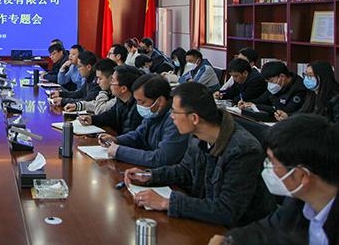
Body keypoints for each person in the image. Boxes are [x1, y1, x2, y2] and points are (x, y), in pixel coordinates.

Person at [125, 81, 274, 227]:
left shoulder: (243, 150)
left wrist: (167, 203)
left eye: (174, 112)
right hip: (205, 220)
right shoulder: (198, 136)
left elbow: (227, 210)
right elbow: (185, 170)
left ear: (194, 118)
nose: (171, 117)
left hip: (237, 231)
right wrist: (149, 176)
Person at [209, 114, 339, 245]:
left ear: (302, 176)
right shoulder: (297, 202)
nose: (267, 167)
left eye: (272, 162)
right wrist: (230, 240)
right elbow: (267, 229)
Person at [99, 74, 188, 167]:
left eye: (142, 102)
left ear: (160, 101)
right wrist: (116, 140)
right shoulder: (154, 113)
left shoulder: (175, 120)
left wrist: (119, 151)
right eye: (136, 101)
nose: (138, 105)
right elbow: (138, 135)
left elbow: (161, 158)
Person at [78, 65, 143, 134]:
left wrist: (115, 139)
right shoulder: (120, 100)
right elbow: (110, 116)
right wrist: (92, 119)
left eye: (112, 80)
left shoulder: (138, 109)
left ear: (123, 89)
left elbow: (131, 135)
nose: (110, 83)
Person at [241, 61, 308, 122]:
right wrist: (247, 103)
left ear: (282, 76)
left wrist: (256, 106)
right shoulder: (275, 85)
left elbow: (284, 111)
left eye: (271, 81)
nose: (270, 84)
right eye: (267, 82)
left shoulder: (299, 89)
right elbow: (261, 100)